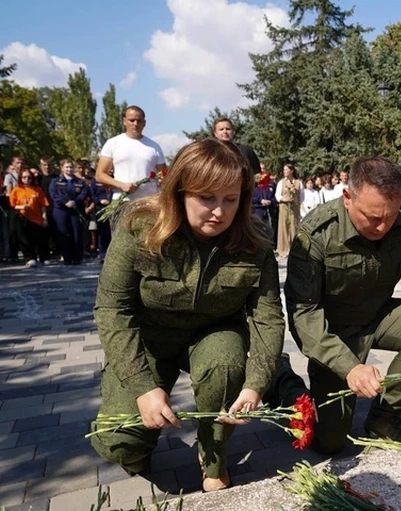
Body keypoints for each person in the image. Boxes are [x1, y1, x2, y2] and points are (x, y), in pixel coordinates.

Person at [90, 138, 286, 492]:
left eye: (230, 199)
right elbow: (112, 309)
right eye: (206, 198)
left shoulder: (255, 241)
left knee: (225, 365)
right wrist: (143, 388)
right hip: (151, 339)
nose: (219, 211)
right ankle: (139, 443)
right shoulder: (140, 227)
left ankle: (213, 457)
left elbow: (267, 317)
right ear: (180, 191)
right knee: (120, 444)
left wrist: (256, 383)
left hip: (213, 334)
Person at [284, 156, 401, 453]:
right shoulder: (317, 234)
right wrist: (350, 368)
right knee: (330, 443)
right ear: (348, 198)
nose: (383, 226)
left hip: (379, 314)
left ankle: (385, 417)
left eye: (390, 216)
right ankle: (284, 381)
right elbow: (303, 315)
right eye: (373, 218)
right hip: (335, 332)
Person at [95, 105, 168, 210]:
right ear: (124, 121)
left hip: (149, 203)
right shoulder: (113, 143)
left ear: (144, 123)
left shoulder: (154, 146)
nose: (135, 124)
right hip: (123, 202)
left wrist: (161, 197)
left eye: (139, 121)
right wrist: (121, 185)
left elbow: (164, 176)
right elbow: (100, 175)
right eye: (132, 120)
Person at [50, 159, 89, 265]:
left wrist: (75, 201)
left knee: (77, 233)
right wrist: (65, 202)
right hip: (61, 210)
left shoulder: (79, 182)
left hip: (76, 209)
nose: (69, 169)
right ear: (62, 168)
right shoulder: (55, 181)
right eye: (66, 167)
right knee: (64, 233)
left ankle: (77, 257)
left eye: (71, 167)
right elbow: (54, 195)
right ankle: (67, 257)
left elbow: (84, 193)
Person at [9, 169, 50, 266]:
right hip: (22, 217)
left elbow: (43, 205)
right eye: (24, 177)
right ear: (21, 178)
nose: (26, 179)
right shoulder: (16, 190)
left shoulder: (37, 189)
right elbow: (12, 205)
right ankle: (29, 258)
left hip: (36, 218)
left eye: (29, 177)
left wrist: (44, 217)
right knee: (24, 239)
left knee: (39, 239)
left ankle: (43, 258)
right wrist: (22, 207)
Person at [275, 163, 303, 257]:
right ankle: (284, 249)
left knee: (294, 227)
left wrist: (297, 203)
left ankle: (294, 249)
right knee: (284, 227)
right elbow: (277, 195)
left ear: (292, 171)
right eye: (284, 170)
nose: (285, 171)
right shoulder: (281, 182)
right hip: (284, 207)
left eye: (286, 169)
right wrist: (283, 199)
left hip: (294, 208)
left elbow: (302, 196)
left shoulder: (298, 183)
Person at [89, 175, 112, 262]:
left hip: (113, 207)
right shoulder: (96, 179)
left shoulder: (115, 177)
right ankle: (103, 254)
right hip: (101, 208)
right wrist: (99, 200)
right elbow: (92, 194)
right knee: (103, 233)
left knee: (112, 232)